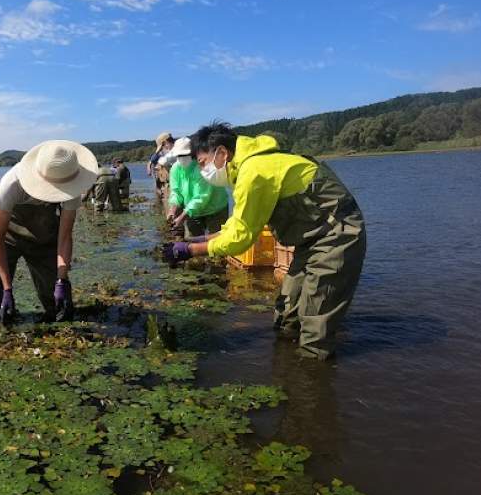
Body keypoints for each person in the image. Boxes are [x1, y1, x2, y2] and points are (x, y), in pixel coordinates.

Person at [168, 123, 366, 360]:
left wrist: (190, 250)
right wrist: (204, 238)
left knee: (316, 321)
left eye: (203, 163)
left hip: (337, 233)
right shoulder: (243, 168)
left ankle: (310, 375)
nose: (203, 171)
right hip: (311, 239)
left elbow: (241, 239)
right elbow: (238, 224)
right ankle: (286, 363)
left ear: (222, 153)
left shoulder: (254, 171)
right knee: (287, 312)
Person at [0, 140, 99, 325]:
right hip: (6, 228)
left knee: (57, 304)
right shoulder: (12, 183)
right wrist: (6, 289)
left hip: (43, 230)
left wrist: (62, 279)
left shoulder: (71, 186)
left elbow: (65, 236)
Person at [165, 136, 229, 237]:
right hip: (192, 211)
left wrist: (182, 216)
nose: (183, 158)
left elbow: (202, 197)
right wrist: (172, 210)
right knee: (192, 240)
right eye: (179, 155)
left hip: (216, 208)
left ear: (193, 153)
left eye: (186, 154)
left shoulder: (202, 166)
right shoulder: (175, 169)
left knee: (218, 242)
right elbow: (176, 192)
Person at [147, 132, 174, 203]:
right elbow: (151, 161)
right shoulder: (160, 153)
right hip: (161, 177)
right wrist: (149, 169)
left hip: (169, 178)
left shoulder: (172, 150)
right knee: (160, 190)